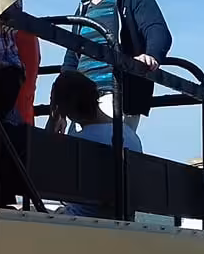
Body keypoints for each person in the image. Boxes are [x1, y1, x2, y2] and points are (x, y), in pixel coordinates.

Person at [58, 0, 172, 133]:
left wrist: (151, 56)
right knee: (77, 155)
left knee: (102, 149)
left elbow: (158, 31)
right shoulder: (84, 7)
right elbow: (71, 58)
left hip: (116, 93)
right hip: (81, 98)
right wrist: (59, 107)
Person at [49, 71, 142, 218]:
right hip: (119, 219)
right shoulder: (130, 135)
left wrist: (54, 121)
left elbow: (46, 178)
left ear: (65, 110)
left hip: (80, 220)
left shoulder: (78, 142)